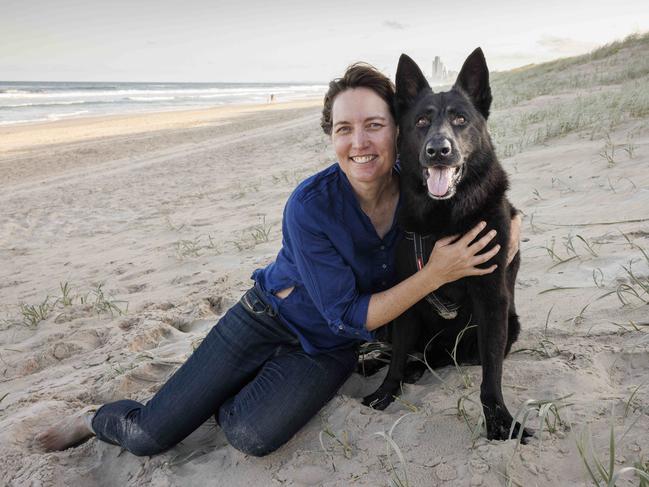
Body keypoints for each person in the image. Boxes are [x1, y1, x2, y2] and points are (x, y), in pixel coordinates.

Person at [36, 63, 521, 457]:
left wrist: (511, 235)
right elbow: (349, 310)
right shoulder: (310, 205)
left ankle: (222, 394)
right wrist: (437, 273)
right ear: (330, 137)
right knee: (147, 438)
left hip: (329, 346)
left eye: (374, 126)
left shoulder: (421, 187)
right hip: (267, 318)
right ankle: (93, 419)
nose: (360, 143)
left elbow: (490, 202)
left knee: (250, 435)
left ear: (397, 130)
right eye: (344, 129)